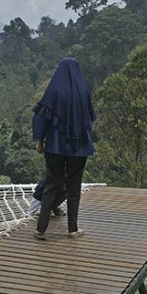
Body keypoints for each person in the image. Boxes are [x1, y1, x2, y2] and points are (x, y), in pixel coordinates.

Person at [32, 58, 95, 239]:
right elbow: (89, 119)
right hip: (78, 148)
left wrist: (40, 140)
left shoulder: (54, 91)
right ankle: (73, 229)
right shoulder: (83, 91)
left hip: (55, 147)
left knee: (51, 185)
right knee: (74, 187)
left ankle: (41, 229)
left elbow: (42, 116)